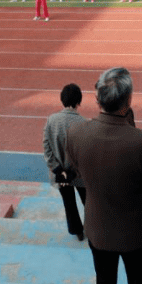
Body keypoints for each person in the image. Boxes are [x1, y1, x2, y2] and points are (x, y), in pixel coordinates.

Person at [65, 67, 142, 284]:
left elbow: (75, 168)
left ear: (97, 100)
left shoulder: (76, 133)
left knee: (104, 281)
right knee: (138, 283)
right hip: (136, 231)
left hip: (98, 225)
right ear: (128, 101)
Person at [42, 83, 88, 241]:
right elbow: (85, 154)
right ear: (79, 101)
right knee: (88, 202)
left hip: (61, 175)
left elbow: (46, 147)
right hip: (80, 174)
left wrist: (57, 169)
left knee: (69, 203)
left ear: (62, 100)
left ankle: (78, 232)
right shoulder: (84, 123)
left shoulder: (51, 120)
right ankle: (93, 228)